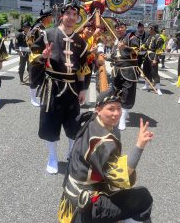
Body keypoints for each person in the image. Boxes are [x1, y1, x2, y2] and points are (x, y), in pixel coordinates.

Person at [58, 88, 153, 223]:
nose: (116, 113)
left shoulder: (92, 123)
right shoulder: (101, 141)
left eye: (119, 108)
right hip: (86, 205)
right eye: (111, 109)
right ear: (98, 110)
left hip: (72, 196)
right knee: (144, 197)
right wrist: (140, 145)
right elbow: (120, 177)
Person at [29, 0, 88, 174]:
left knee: (73, 123)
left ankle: (71, 154)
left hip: (72, 87)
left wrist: (84, 89)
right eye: (68, 13)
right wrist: (43, 56)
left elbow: (83, 67)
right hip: (52, 86)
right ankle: (52, 157)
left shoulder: (81, 42)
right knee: (50, 123)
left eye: (75, 14)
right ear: (61, 15)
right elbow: (33, 56)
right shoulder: (48, 34)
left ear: (78, 18)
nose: (71, 17)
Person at [111, 20, 139, 130]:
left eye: (121, 27)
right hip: (117, 70)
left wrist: (125, 48)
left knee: (127, 94)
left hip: (128, 70)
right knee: (116, 93)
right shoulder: (116, 39)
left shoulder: (132, 37)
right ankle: (119, 115)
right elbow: (115, 55)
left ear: (125, 27)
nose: (118, 29)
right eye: (117, 27)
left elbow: (138, 51)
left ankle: (122, 120)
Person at [27, 8, 53, 106]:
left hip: (43, 56)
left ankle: (39, 97)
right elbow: (30, 42)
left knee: (41, 77)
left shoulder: (41, 28)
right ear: (46, 17)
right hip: (36, 57)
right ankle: (33, 99)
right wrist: (39, 53)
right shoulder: (38, 28)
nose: (52, 18)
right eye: (50, 16)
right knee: (34, 78)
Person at [141, 24, 164, 95]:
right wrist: (142, 47)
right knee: (145, 70)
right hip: (147, 55)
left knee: (154, 72)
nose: (148, 30)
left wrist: (155, 59)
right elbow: (146, 45)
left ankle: (158, 88)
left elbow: (159, 50)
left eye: (149, 29)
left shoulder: (159, 38)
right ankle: (146, 85)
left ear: (152, 29)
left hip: (153, 56)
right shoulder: (149, 37)